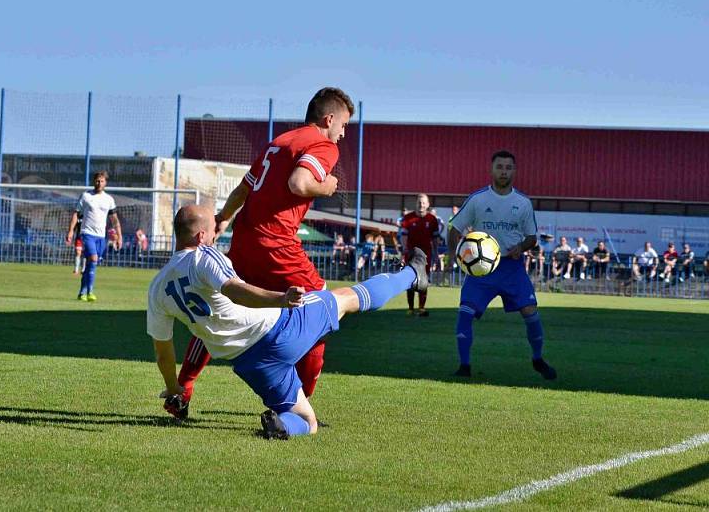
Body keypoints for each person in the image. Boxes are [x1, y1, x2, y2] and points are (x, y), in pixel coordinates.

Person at [148, 205, 429, 438]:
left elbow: (163, 352)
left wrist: (175, 389)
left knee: (307, 422)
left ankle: (281, 426)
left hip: (251, 364)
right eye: (213, 228)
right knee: (345, 298)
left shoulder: (157, 286)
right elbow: (234, 289)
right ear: (200, 236)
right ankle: (412, 275)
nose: (218, 232)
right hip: (279, 329)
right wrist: (280, 298)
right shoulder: (203, 255)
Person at [175, 87, 355, 417]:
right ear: (329, 119)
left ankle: (182, 388)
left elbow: (244, 188)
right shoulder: (323, 145)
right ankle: (295, 407)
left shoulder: (280, 142)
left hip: (246, 239)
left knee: (218, 308)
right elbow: (300, 184)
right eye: (343, 125)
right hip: (277, 245)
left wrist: (222, 221)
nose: (343, 134)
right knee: (320, 312)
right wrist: (326, 186)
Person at [446, 150, 556, 380]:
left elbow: (531, 237)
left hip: (511, 267)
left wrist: (522, 247)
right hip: (480, 270)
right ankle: (464, 367)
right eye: (500, 167)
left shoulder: (523, 203)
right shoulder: (478, 199)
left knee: (531, 313)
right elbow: (454, 229)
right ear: (491, 169)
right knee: (465, 314)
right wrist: (454, 255)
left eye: (508, 167)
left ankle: (538, 359)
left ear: (514, 171)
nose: (504, 171)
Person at [65, 171, 122, 301]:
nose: (99, 183)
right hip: (87, 234)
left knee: (92, 264)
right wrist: (70, 231)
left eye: (102, 181)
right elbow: (76, 214)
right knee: (94, 259)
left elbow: (115, 220)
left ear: (105, 183)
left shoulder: (109, 200)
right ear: (93, 181)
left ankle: (82, 292)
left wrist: (119, 236)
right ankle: (90, 292)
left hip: (101, 237)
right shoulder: (85, 196)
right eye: (97, 180)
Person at [399, 193, 440, 317]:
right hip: (411, 255)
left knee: (423, 282)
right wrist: (405, 249)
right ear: (416, 204)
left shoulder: (432, 219)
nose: (421, 205)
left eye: (423, 202)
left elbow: (435, 238)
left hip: (425, 256)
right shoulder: (407, 218)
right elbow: (404, 236)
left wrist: (436, 253)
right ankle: (411, 308)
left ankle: (421, 308)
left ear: (428, 204)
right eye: (419, 202)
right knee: (410, 280)